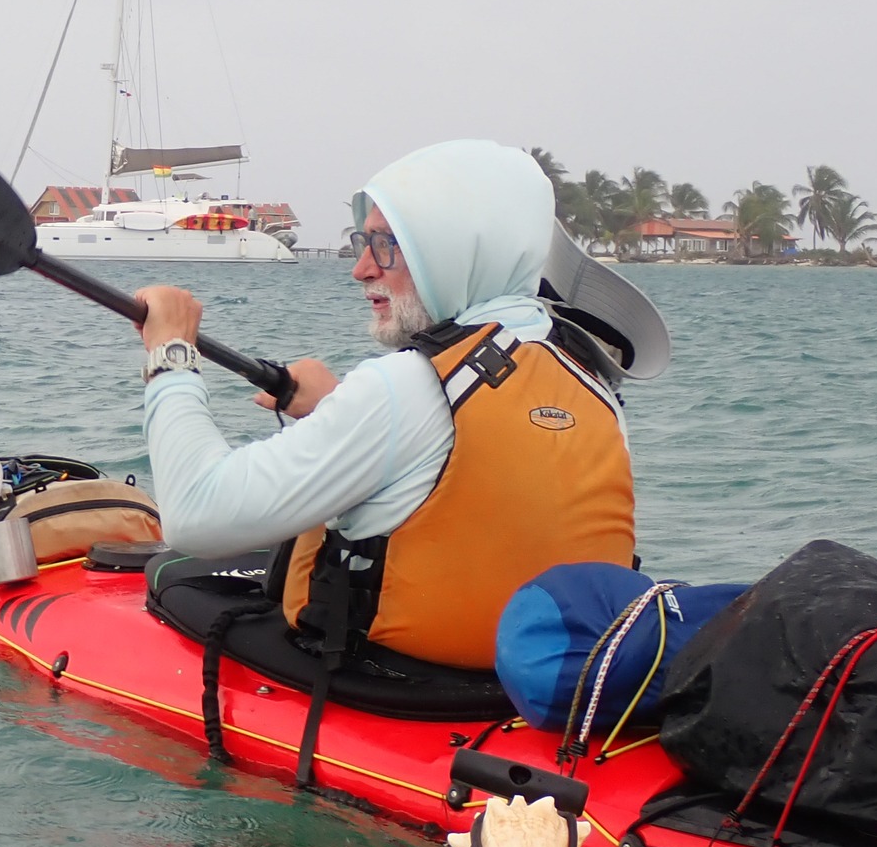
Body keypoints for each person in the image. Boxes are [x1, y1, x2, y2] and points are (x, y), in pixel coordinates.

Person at [133, 139, 635, 673]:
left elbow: (193, 516)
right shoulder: (586, 370)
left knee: (174, 576)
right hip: (554, 678)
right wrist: (335, 406)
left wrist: (172, 358)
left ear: (450, 249)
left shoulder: (402, 385)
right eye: (363, 241)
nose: (363, 269)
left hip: (402, 683)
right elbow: (478, 458)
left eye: (389, 245)